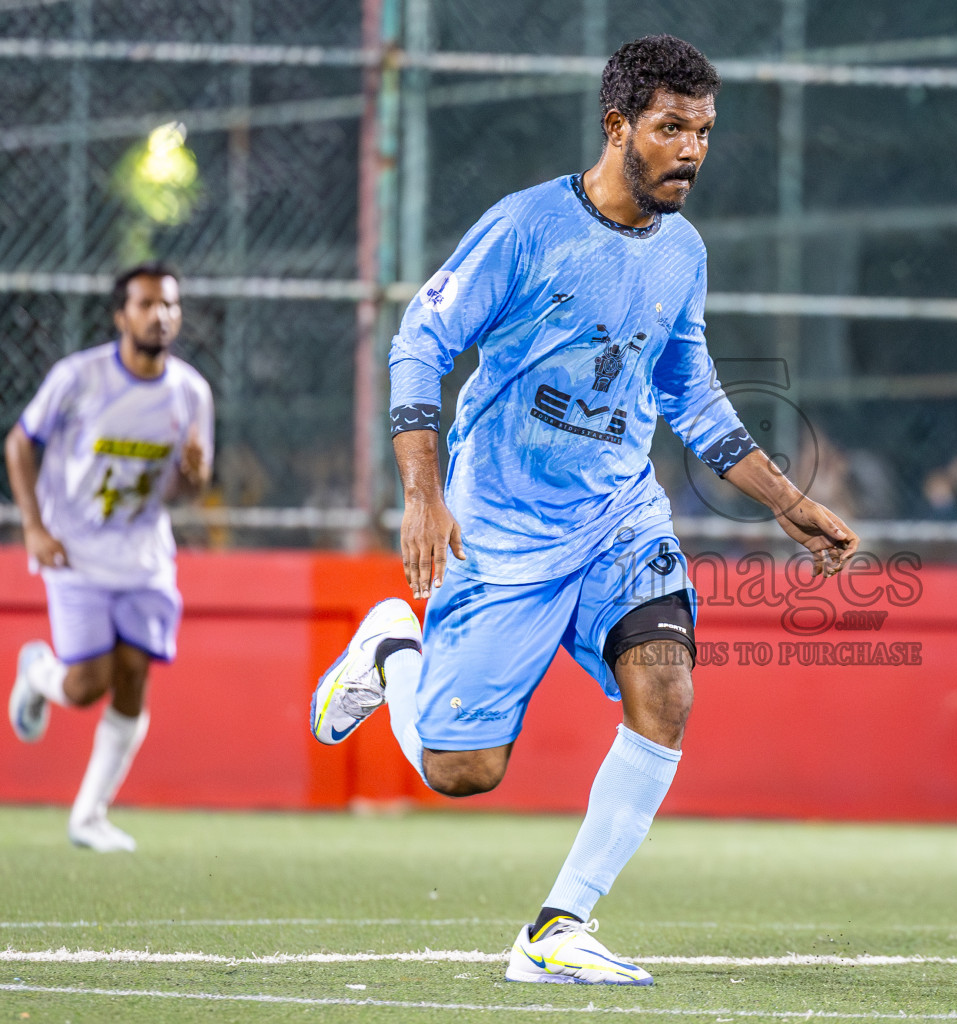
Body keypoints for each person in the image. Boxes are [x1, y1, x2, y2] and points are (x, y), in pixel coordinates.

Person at [308, 35, 857, 986]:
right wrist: (423, 497)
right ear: (618, 127)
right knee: (460, 772)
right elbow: (418, 343)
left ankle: (558, 927)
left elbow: (693, 395)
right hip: (502, 533)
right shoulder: (525, 230)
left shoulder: (683, 253)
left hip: (618, 522)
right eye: (671, 128)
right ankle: (394, 651)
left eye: (705, 131)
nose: (692, 150)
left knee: (668, 686)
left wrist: (789, 503)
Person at [6, 262, 213, 852]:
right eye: (147, 304)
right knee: (85, 685)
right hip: (76, 551)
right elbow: (20, 442)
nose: (160, 315)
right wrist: (34, 525)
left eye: (169, 305)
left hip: (145, 556)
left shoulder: (191, 392)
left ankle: (89, 816)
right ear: (122, 315)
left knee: (133, 676)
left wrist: (194, 479)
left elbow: (188, 490)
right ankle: (39, 673)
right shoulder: (80, 378)